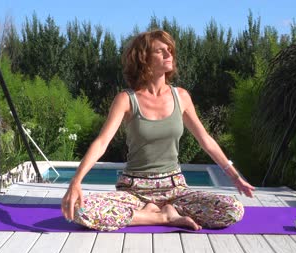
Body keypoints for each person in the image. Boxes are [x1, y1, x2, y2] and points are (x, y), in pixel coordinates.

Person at [61, 30, 255, 231]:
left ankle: (155, 213)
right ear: (143, 58)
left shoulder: (181, 96)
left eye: (170, 50)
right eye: (160, 51)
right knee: (78, 210)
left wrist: (234, 176)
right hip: (134, 190)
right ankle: (163, 217)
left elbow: (205, 139)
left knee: (233, 209)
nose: (169, 55)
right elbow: (102, 142)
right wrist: (76, 181)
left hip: (175, 190)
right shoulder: (126, 99)